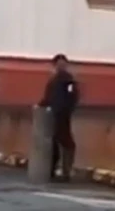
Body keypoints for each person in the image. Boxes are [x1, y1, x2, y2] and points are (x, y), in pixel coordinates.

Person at [39, 54, 79, 182]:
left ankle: (66, 170)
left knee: (65, 141)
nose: (61, 67)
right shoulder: (53, 80)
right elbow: (48, 96)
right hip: (53, 114)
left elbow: (73, 94)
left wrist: (68, 108)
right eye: (59, 64)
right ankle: (52, 169)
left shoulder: (68, 80)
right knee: (54, 142)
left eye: (63, 64)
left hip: (63, 114)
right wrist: (41, 105)